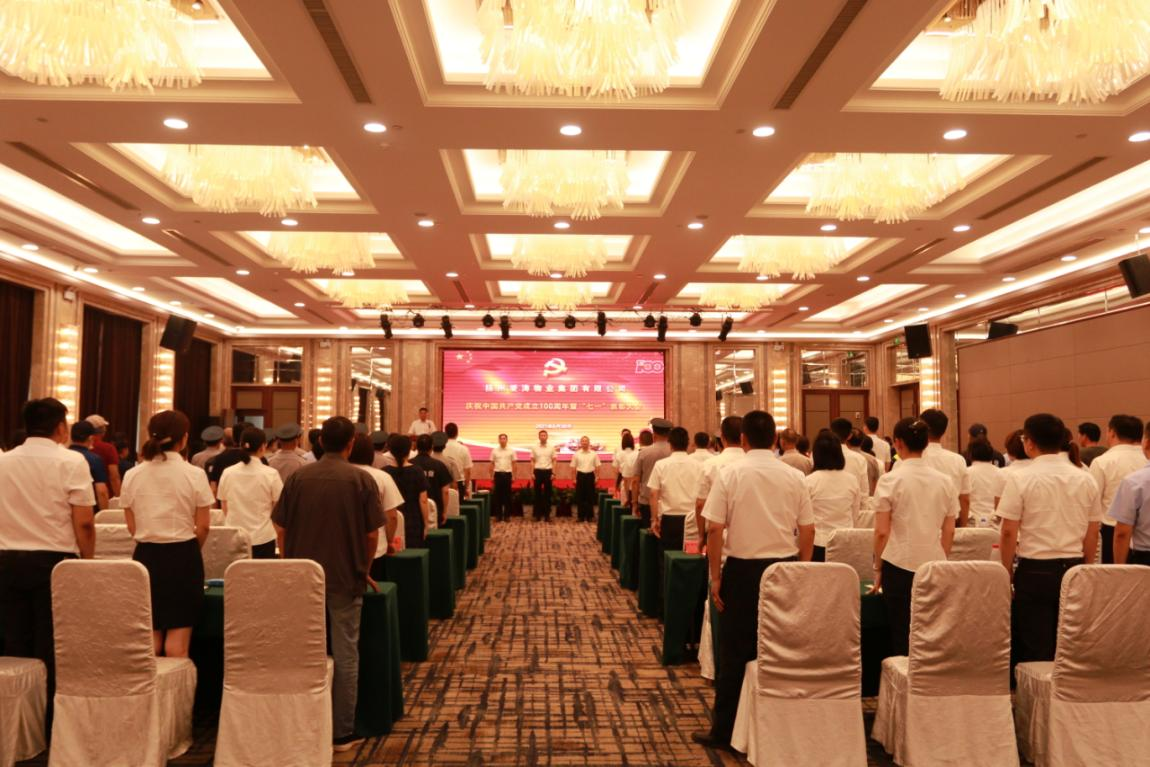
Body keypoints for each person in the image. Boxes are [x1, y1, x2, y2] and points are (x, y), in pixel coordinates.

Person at [692, 410, 814, 753]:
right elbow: (808, 529)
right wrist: (802, 569)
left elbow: (714, 528)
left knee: (734, 651)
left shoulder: (730, 474)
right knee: (779, 646)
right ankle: (778, 725)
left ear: (743, 439)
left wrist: (716, 577)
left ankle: (725, 731)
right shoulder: (794, 476)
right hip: (784, 569)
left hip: (742, 572)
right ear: (775, 439)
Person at [273, 416, 384, 752]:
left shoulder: (298, 478)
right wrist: (364, 568)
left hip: (302, 578)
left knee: (305, 649)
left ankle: (304, 724)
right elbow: (372, 534)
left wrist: (289, 563)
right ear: (351, 443)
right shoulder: (361, 479)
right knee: (346, 652)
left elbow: (281, 528)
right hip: (345, 577)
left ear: (320, 442)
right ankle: (341, 733)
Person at [0, 398, 95, 698]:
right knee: (51, 642)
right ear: (61, 428)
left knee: (13, 642)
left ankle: (15, 715)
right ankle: (48, 713)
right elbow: (84, 523)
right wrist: (87, 561)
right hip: (54, 562)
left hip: (6, 560)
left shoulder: (4, 461)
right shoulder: (71, 461)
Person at [998, 413, 1101, 665]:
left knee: (1035, 647)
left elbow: (1008, 531)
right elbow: (1092, 531)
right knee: (1069, 644)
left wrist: (1006, 570)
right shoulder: (1085, 478)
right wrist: (1086, 567)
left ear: (1029, 442)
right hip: (1074, 566)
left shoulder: (1019, 477)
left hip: (1035, 570)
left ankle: (1035, 691)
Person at [121, 410, 213, 658]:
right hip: (183, 555)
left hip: (146, 555)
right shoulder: (194, 474)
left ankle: (150, 684)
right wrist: (189, 549)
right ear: (184, 439)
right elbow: (204, 526)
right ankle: (176, 685)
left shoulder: (132, 474)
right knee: (177, 646)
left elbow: (131, 525)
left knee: (150, 642)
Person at [871, 417, 958, 657]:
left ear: (898, 443)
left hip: (899, 564)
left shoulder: (890, 480)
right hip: (934, 564)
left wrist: (877, 568)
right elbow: (949, 530)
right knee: (932, 632)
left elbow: (881, 531)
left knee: (902, 634)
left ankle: (904, 678)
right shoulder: (945, 481)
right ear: (926, 444)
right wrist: (940, 558)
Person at [1089, 415, 1147, 564]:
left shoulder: (1102, 462)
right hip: (1145, 533)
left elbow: (1093, 504)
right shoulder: (1146, 458)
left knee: (1118, 576)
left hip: (1113, 532)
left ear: (1112, 433)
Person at [217, 428, 283, 559]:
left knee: (235, 572)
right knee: (263, 573)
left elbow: (224, 506)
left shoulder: (228, 472)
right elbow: (278, 507)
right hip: (263, 536)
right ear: (263, 447)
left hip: (235, 536)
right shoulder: (271, 474)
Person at [903, 409, 971, 527]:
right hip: (950, 522)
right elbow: (964, 499)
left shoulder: (907, 459)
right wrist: (963, 528)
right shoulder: (958, 460)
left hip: (916, 523)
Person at [348, 434, 401, 579]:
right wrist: (390, 541)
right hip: (376, 547)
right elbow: (392, 516)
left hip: (343, 548)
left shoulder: (339, 475)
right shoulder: (382, 477)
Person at [805, 430, 861, 562]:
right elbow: (855, 514)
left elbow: (805, 520)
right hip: (845, 541)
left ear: (816, 454)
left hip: (818, 544)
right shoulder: (852, 480)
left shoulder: (809, 481)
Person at [692, 415, 745, 553]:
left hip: (718, 533)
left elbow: (700, 504)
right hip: (750, 533)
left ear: (722, 437)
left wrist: (701, 535)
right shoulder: (753, 464)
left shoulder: (710, 465)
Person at [649, 426, 704, 556]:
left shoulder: (661, 465)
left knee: (668, 556)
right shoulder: (699, 466)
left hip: (669, 518)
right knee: (691, 558)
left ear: (670, 444)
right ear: (688, 444)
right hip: (692, 518)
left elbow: (653, 494)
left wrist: (654, 519)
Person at [1111, 422, 1150, 566]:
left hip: (1145, 559)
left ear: (1146, 443)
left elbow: (1122, 533)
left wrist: (1120, 569)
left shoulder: (1134, 481)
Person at [384, 434, 431, 549]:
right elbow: (423, 500)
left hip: (391, 522)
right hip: (414, 521)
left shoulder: (385, 472)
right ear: (409, 451)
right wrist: (426, 524)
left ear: (391, 451)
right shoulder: (417, 471)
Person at [633, 418, 673, 525]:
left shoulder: (644, 452)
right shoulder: (673, 452)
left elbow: (636, 480)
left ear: (653, 434)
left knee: (647, 532)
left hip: (646, 502)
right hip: (669, 503)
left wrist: (634, 503)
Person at [68, 420, 110, 512]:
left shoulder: (62, 457)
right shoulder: (94, 459)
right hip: (87, 510)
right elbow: (101, 491)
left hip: (64, 508)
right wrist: (104, 514)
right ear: (91, 438)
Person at [412, 434, 452, 526]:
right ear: (431, 447)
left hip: (414, 512)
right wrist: (445, 511)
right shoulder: (439, 465)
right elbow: (445, 491)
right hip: (435, 511)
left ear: (416, 447)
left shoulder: (410, 464)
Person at [967, 437, 1006, 528]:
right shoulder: (1001, 473)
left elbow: (963, 500)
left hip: (972, 524)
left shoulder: (966, 473)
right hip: (996, 524)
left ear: (970, 454)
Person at [84, 414, 123, 497]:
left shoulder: (79, 448)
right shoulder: (108, 448)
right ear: (102, 431)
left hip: (83, 495)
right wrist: (118, 497)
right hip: (104, 495)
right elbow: (114, 477)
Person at [829, 418, 869, 497]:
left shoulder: (819, 455)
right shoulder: (859, 459)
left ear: (830, 434)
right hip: (852, 502)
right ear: (850, 436)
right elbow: (864, 491)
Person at [572, 436, 601, 522]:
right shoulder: (576, 454)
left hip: (590, 476)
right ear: (580, 443)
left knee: (590, 497)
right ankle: (580, 516)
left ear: (589, 442)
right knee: (580, 497)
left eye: (586, 441)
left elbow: (598, 466)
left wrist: (597, 477)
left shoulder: (594, 454)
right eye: (583, 441)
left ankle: (589, 516)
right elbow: (573, 467)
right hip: (580, 475)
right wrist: (574, 478)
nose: (584, 442)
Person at [530, 430, 558, 521]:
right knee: (537, 494)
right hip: (537, 472)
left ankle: (547, 515)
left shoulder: (551, 447)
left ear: (547, 437)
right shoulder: (534, 447)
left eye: (544, 435)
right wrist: (532, 473)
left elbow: (554, 461)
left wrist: (553, 473)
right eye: (541, 435)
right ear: (539, 437)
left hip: (548, 472)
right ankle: (537, 515)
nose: (543, 437)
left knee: (547, 495)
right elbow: (532, 461)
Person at [848, 428, 883, 495]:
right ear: (862, 441)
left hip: (849, 497)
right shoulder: (872, 459)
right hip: (869, 497)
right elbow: (876, 481)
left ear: (847, 440)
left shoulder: (842, 458)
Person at [443, 423, 473, 499]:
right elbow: (468, 471)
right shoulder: (463, 449)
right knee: (458, 505)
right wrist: (466, 487)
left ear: (445, 433)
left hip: (443, 483)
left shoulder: (440, 448)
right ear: (457, 434)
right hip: (459, 483)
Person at [617, 432, 639, 506]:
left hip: (624, 479)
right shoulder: (636, 453)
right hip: (636, 480)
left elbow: (616, 470)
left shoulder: (619, 454)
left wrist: (616, 484)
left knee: (626, 504)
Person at [612, 429, 633, 494]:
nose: (625, 436)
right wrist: (616, 482)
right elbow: (615, 467)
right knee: (623, 494)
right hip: (621, 475)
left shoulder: (635, 449)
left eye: (627, 435)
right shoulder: (617, 448)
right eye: (624, 435)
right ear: (621, 435)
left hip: (633, 476)